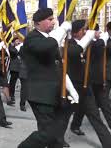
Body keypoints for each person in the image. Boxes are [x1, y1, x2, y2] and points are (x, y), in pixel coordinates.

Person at [18, 8, 79, 148]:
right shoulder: (32, 38)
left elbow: (60, 68)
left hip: (54, 93)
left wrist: (71, 88)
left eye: (53, 19)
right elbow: (46, 46)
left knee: (56, 135)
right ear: (38, 23)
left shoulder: (50, 39)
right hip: (40, 95)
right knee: (48, 133)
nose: (53, 22)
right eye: (49, 19)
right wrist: (63, 29)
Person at [59, 19, 111, 148]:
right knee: (64, 116)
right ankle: (58, 140)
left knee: (95, 117)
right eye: (83, 29)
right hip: (72, 89)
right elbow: (74, 52)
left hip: (86, 87)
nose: (86, 32)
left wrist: (100, 38)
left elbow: (100, 49)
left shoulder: (90, 44)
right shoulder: (67, 45)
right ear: (75, 33)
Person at [7, 37, 22, 106]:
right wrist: (18, 46)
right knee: (13, 83)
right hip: (14, 68)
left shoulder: (20, 47)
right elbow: (14, 52)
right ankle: (11, 95)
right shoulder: (11, 47)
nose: (18, 42)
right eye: (16, 41)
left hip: (21, 67)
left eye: (18, 41)